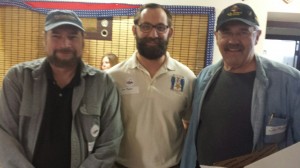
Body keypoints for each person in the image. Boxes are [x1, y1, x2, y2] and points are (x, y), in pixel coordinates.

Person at [180, 3, 300, 168]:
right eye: (226, 32)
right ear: (216, 37)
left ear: (257, 36)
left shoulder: (290, 82)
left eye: (243, 32)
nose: (233, 40)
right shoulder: (204, 77)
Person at [0, 10, 123, 168]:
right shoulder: (19, 79)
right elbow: (4, 134)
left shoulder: (104, 84)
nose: (65, 44)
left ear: (83, 41)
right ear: (44, 39)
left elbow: (110, 143)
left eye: (72, 36)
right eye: (56, 36)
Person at [107, 3, 196, 168]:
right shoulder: (113, 77)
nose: (153, 34)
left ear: (170, 32)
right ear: (135, 30)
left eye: (161, 27)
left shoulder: (187, 78)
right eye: (146, 26)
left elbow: (190, 125)